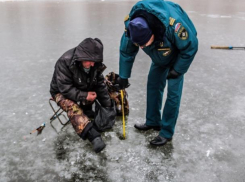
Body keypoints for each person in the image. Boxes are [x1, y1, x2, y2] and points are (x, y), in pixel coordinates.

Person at [118, 0, 198, 146]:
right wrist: (123, 76)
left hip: (178, 55)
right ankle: (153, 121)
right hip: (160, 55)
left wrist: (177, 70)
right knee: (153, 85)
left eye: (144, 43)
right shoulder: (132, 28)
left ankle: (166, 133)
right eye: (138, 44)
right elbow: (126, 51)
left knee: (173, 95)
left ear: (152, 32)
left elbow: (190, 47)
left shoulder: (173, 26)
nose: (141, 47)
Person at [50, 38, 112, 153]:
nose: (92, 64)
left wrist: (107, 106)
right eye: (90, 60)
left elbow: (99, 84)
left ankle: (87, 112)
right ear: (82, 56)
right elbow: (65, 88)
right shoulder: (64, 62)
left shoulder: (94, 64)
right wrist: (84, 96)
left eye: (94, 61)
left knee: (93, 90)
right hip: (60, 91)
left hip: (80, 87)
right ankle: (93, 136)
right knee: (72, 106)